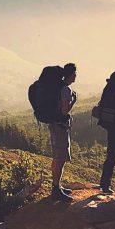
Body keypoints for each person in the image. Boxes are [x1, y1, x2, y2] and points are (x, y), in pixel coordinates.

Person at [49, 63, 77, 202]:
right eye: (75, 74)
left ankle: (56, 186)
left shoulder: (57, 87)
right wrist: (74, 101)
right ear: (71, 74)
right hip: (60, 126)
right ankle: (56, 189)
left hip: (54, 124)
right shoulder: (66, 89)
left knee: (57, 156)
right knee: (60, 158)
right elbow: (65, 110)